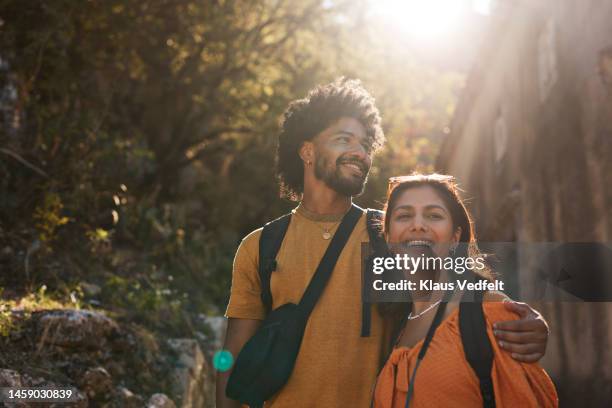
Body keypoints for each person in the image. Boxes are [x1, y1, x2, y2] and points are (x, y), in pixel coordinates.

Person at [216, 78, 551, 408]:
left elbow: (459, 287)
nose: (359, 152)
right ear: (307, 151)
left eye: (365, 144)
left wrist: (524, 317)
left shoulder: (390, 236)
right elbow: (230, 359)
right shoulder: (261, 247)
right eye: (344, 139)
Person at [372, 173, 558, 407]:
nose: (417, 225)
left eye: (434, 215)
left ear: (455, 238)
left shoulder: (489, 312)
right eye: (404, 215)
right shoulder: (391, 322)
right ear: (389, 238)